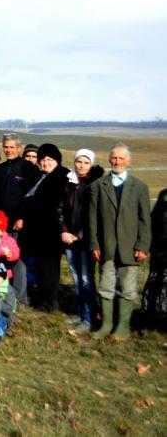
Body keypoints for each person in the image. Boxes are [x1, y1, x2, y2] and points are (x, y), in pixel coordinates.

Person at [89, 143, 151, 340]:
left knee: (127, 288)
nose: (117, 161)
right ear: (109, 160)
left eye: (121, 158)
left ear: (128, 161)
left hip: (130, 248)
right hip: (105, 246)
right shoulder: (98, 186)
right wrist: (94, 244)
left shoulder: (139, 187)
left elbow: (145, 220)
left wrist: (143, 246)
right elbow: (92, 219)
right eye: (114, 158)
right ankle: (106, 325)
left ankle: (122, 327)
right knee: (105, 287)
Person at [0, 133, 41, 305]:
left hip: (19, 222)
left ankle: (21, 296)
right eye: (6, 147)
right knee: (1, 256)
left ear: (19, 148)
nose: (9, 150)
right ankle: (1, 292)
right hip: (1, 222)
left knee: (18, 258)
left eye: (12, 147)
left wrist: (22, 217)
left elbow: (32, 197)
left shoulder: (29, 168)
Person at [21, 143, 69, 312]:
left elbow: (57, 205)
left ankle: (50, 303)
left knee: (49, 269)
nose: (45, 162)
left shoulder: (62, 176)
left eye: (49, 159)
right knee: (41, 268)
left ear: (57, 160)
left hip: (51, 232)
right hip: (38, 232)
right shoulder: (41, 176)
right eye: (42, 159)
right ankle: (43, 300)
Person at [60, 148, 104, 332]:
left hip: (86, 239)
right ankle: (80, 313)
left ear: (91, 164)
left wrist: (79, 234)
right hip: (69, 238)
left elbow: (95, 215)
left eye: (86, 162)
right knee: (77, 278)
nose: (82, 165)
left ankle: (89, 317)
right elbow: (62, 209)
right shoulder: (69, 183)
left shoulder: (96, 184)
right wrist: (64, 231)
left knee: (86, 279)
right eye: (79, 161)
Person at [139, 188, 167, 333]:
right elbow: (154, 219)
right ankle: (150, 319)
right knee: (154, 284)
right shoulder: (164, 194)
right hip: (159, 251)